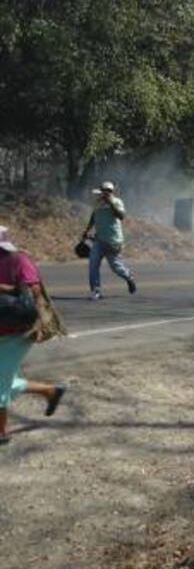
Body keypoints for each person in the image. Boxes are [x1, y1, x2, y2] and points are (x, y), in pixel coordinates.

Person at [0, 227, 67, 445]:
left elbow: (33, 292)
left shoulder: (19, 260)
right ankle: (50, 391)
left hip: (16, 331)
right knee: (6, 379)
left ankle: (2, 432)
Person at [82, 180, 136, 300]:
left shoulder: (117, 202)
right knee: (93, 265)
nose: (106, 193)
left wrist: (111, 203)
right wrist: (87, 230)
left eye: (108, 191)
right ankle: (96, 290)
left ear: (112, 192)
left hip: (113, 241)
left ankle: (128, 276)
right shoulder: (97, 203)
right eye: (104, 190)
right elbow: (93, 215)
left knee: (115, 266)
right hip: (99, 239)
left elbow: (121, 216)